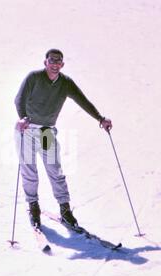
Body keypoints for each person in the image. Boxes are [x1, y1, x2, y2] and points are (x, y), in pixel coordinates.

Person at [14, 48, 112, 229]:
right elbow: (19, 99)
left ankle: (65, 209)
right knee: (29, 170)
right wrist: (22, 117)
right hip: (27, 129)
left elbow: (83, 101)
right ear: (45, 62)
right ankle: (33, 206)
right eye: (52, 60)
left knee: (54, 170)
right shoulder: (34, 77)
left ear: (62, 64)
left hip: (46, 132)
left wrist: (100, 118)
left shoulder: (65, 83)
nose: (55, 64)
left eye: (58, 61)